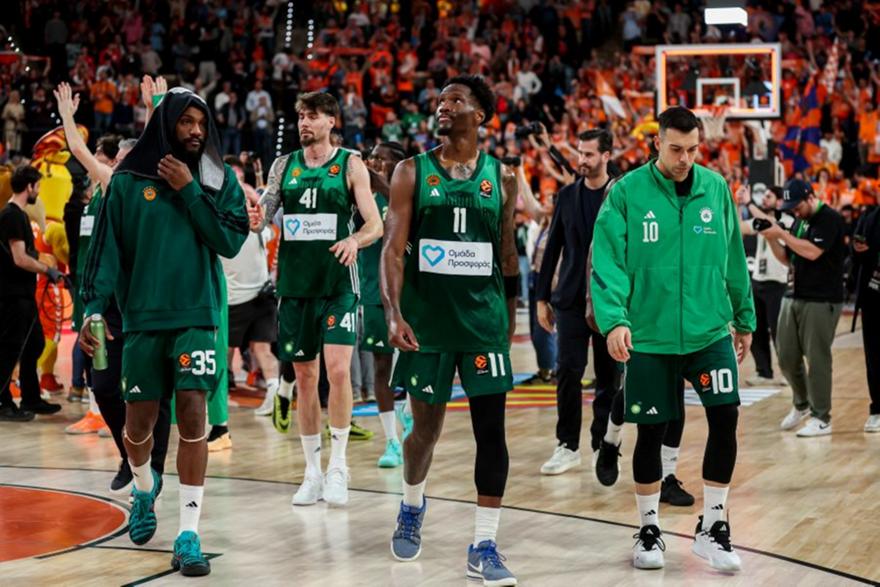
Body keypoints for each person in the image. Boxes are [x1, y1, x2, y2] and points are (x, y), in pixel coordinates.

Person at [79, 87, 248, 576]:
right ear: (165, 124)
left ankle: (189, 533)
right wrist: (92, 309)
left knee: (193, 415)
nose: (196, 131)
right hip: (142, 320)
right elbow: (105, 252)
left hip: (197, 316)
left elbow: (229, 240)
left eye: (202, 123)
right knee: (139, 426)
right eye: (186, 122)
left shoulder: (216, 177)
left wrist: (189, 190)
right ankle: (144, 486)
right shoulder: (127, 182)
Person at [592, 106, 755, 572]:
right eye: (676, 149)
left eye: (692, 150)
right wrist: (615, 320)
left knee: (725, 416)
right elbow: (607, 259)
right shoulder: (627, 192)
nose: (684, 159)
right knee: (651, 432)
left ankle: (713, 526)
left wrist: (744, 316)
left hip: (709, 330)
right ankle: (649, 529)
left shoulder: (715, 188)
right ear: (657, 144)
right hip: (650, 335)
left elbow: (733, 257)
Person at [383, 75, 520, 586]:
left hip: (483, 324)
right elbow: (393, 249)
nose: (442, 107)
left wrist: (509, 317)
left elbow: (507, 251)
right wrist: (393, 313)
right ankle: (411, 504)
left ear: (479, 115)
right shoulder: (410, 171)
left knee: (492, 432)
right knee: (425, 431)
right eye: (439, 101)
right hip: (428, 326)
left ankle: (484, 544)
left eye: (455, 100)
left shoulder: (503, 176)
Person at [249, 91, 383, 507]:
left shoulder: (350, 164)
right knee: (305, 378)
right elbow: (265, 212)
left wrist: (354, 240)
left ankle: (339, 466)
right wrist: (256, 218)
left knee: (338, 371)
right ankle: (312, 471)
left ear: (331, 121)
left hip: (338, 284)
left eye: (312, 116)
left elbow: (375, 224)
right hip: (295, 287)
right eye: (301, 116)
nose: (304, 123)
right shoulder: (283, 165)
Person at [56, 80, 174, 491]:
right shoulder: (108, 186)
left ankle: (153, 465)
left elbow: (159, 143)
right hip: (108, 305)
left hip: (146, 302)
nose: (120, 164)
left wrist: (155, 106)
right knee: (104, 385)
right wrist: (67, 116)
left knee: (154, 392)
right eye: (118, 159)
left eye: (128, 158)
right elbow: (79, 151)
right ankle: (130, 456)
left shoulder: (144, 186)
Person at [535, 129, 618, 476]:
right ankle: (567, 445)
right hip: (569, 298)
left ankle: (602, 444)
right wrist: (541, 297)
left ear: (606, 156)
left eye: (589, 154)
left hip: (609, 298)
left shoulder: (621, 194)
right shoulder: (567, 195)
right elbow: (552, 246)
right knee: (568, 371)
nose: (582, 160)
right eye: (580, 153)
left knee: (608, 376)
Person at [756, 179, 846, 437]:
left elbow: (812, 252)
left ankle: (821, 417)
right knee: (785, 355)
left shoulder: (830, 219)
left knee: (817, 359)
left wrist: (781, 234)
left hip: (821, 299)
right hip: (793, 293)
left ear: (810, 197)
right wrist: (771, 238)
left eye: (797, 206)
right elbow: (788, 258)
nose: (794, 211)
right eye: (791, 208)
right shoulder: (798, 221)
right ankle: (802, 403)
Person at [219, 155, 279, 428]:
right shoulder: (241, 224)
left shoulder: (246, 225)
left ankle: (220, 401)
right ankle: (272, 393)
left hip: (248, 298)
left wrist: (252, 196)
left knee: (230, 352)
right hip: (252, 297)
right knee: (258, 350)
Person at [0, 166, 63, 421]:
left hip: (22, 294)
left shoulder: (19, 215)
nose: (38, 191)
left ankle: (31, 397)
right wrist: (48, 270)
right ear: (29, 187)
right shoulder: (12, 216)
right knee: (10, 350)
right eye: (37, 186)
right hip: (12, 296)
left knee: (34, 342)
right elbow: (19, 258)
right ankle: (3, 403)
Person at [362, 141, 410, 467]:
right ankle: (391, 441)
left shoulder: (408, 194)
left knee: (413, 361)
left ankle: (409, 415)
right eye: (371, 158)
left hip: (410, 293)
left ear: (398, 164)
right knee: (381, 367)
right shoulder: (364, 196)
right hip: (373, 291)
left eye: (381, 158)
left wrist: (376, 180)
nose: (373, 162)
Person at [739, 185, 789, 386]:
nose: (765, 199)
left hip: (778, 282)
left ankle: (788, 372)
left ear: (779, 201)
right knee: (757, 329)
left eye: (769, 196)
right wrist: (737, 204)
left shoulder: (786, 219)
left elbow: (769, 224)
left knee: (779, 331)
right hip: (758, 280)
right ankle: (763, 371)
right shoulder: (759, 219)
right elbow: (739, 228)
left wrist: (749, 203)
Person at [853, 205, 880, 432]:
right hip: (872, 295)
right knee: (874, 356)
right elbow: (855, 256)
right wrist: (858, 249)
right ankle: (877, 408)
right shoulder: (868, 216)